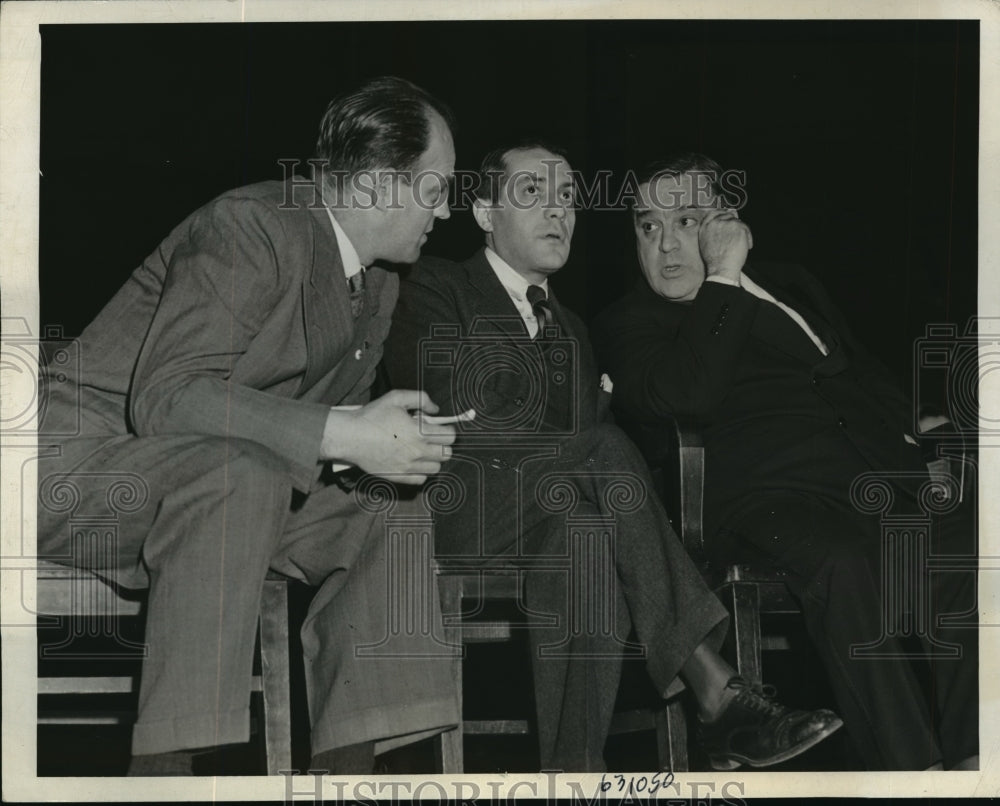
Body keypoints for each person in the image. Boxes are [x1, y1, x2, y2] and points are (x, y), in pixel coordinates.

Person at [36, 76, 461, 776]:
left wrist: (377, 437)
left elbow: (310, 430)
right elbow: (168, 399)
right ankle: (166, 779)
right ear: (372, 187)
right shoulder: (251, 227)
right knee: (239, 475)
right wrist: (343, 431)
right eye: (435, 187)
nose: (444, 210)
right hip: (81, 470)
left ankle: (349, 776)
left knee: (385, 505)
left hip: (224, 485)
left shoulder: (379, 278)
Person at [383, 141, 842, 772]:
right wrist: (580, 427)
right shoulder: (437, 285)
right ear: (485, 213)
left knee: (588, 538)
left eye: (568, 198)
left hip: (551, 517)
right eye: (533, 195)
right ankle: (713, 686)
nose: (559, 212)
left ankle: (574, 774)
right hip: (459, 510)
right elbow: (466, 415)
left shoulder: (573, 327)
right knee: (599, 451)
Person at [591, 152, 978, 770]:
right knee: (845, 561)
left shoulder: (790, 280)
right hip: (768, 499)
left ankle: (973, 760)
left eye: (686, 220)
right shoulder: (629, 320)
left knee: (970, 546)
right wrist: (722, 275)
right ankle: (913, 770)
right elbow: (684, 393)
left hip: (868, 480)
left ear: (726, 221)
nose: (664, 244)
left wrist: (912, 431)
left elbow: (853, 368)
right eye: (647, 225)